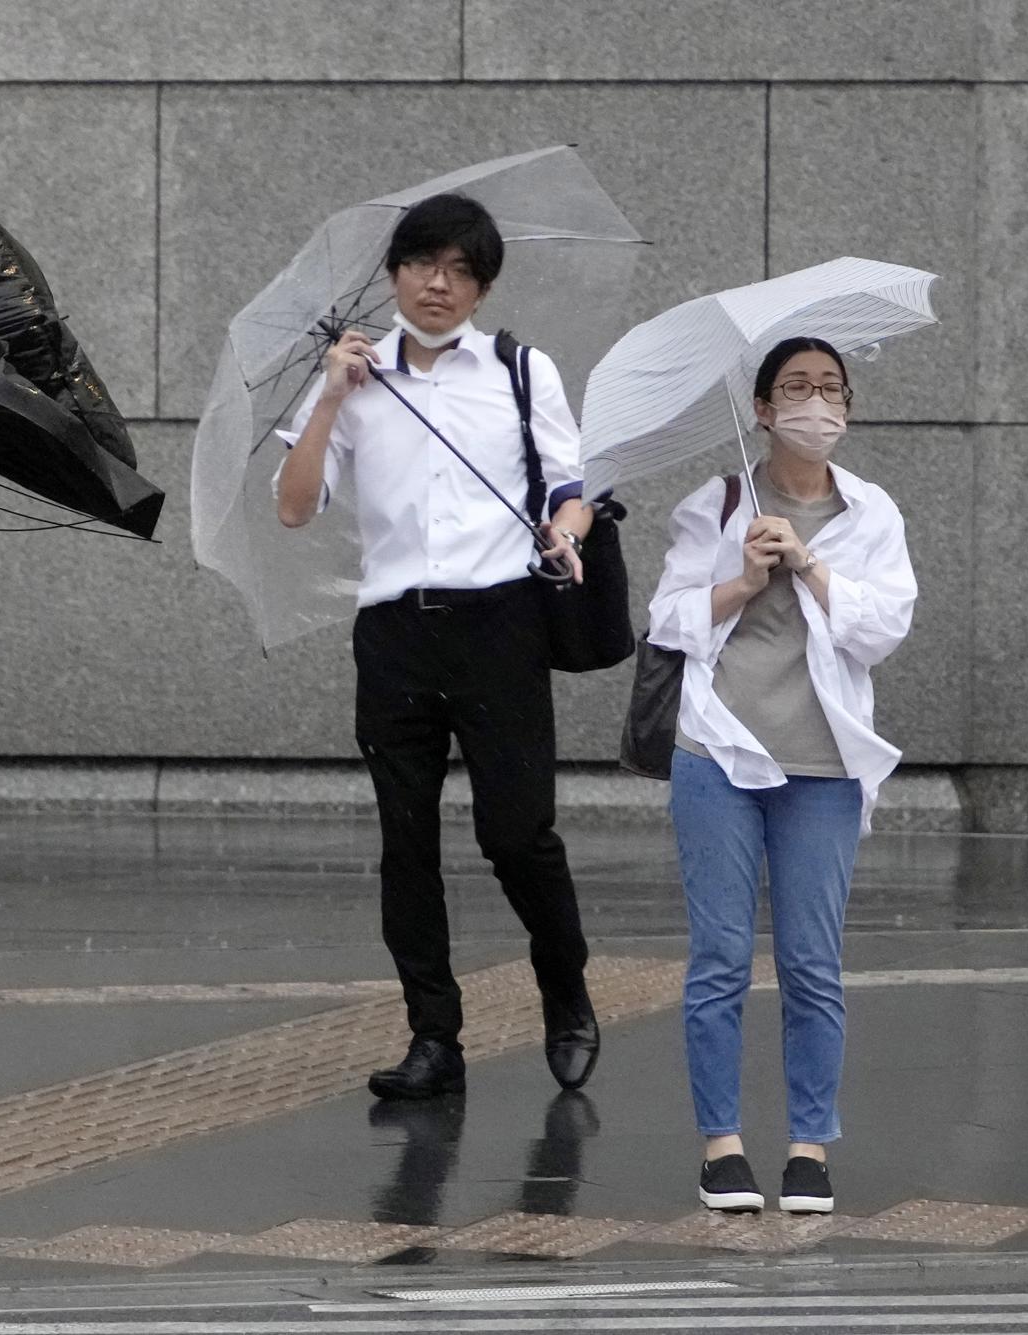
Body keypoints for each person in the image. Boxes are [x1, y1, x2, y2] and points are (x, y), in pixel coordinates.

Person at [276, 194, 601, 1101]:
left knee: (517, 833)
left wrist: (565, 531)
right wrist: (334, 398)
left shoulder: (523, 371)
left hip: (500, 622)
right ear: (393, 274)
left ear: (482, 286)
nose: (439, 283)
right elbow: (295, 505)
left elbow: (571, 487)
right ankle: (434, 1036)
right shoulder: (350, 376)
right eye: (424, 264)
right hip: (393, 632)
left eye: (461, 270)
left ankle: (564, 987)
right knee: (405, 840)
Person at [648, 337, 916, 1217]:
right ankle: (721, 1145)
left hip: (826, 764)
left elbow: (884, 628)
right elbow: (668, 618)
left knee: (812, 961)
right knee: (720, 956)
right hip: (720, 753)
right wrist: (739, 578)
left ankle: (809, 1146)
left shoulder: (872, 512)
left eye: (830, 389)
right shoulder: (718, 503)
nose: (815, 403)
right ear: (762, 410)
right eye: (795, 388)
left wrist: (810, 563)